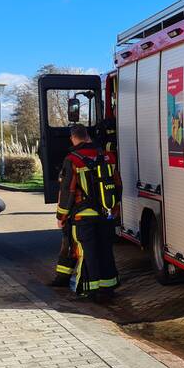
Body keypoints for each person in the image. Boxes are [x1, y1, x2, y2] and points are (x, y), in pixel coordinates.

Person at [56, 124, 121, 299]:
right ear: (87, 136)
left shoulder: (72, 159)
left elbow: (68, 191)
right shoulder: (108, 156)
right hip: (106, 213)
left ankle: (92, 290)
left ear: (73, 138)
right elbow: (117, 184)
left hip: (83, 215)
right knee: (106, 250)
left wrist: (61, 216)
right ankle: (109, 287)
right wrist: (115, 207)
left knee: (88, 252)